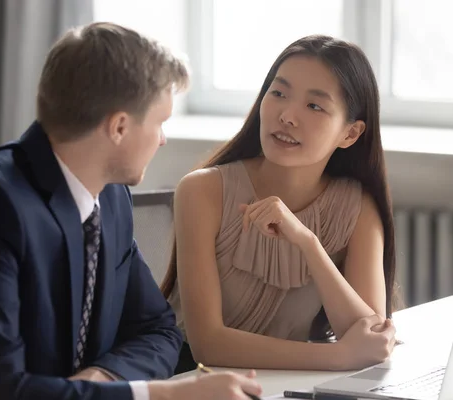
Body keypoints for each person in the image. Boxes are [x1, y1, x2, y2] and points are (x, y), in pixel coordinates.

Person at [0, 22, 261, 400]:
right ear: (120, 127)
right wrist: (170, 396)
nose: (162, 138)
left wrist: (99, 381)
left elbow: (159, 332)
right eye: (160, 122)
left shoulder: (110, 198)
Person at [161, 35, 399, 374]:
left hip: (285, 385)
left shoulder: (357, 206)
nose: (287, 115)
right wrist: (338, 357)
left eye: (314, 106)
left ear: (350, 134)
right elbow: (208, 345)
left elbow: (371, 338)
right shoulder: (203, 191)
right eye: (278, 93)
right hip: (192, 383)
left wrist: (308, 243)